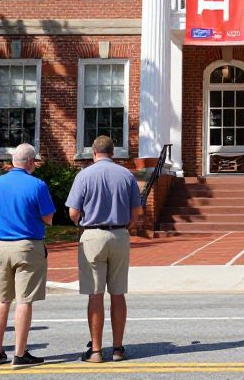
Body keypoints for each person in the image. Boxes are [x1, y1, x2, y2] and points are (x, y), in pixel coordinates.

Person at [66, 136, 142, 363]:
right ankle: (118, 348)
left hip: (92, 234)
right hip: (119, 233)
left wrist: (82, 224)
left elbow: (72, 212)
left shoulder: (84, 175)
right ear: (113, 152)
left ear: (93, 152)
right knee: (118, 293)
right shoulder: (127, 175)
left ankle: (96, 350)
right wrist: (125, 227)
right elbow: (136, 212)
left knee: (95, 294)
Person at [0, 143, 55, 368]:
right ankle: (20, 352)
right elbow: (48, 218)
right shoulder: (37, 185)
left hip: (0, 245)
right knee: (24, 300)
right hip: (27, 245)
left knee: (2, 299)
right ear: (31, 162)